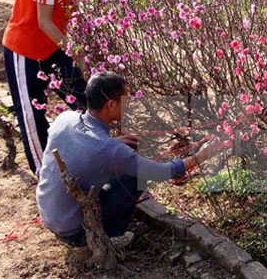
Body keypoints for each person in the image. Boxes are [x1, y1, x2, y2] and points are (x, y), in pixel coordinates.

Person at [36, 72, 220, 247]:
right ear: (111, 105)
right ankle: (113, 236)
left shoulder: (65, 119)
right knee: (135, 177)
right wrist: (202, 155)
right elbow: (160, 173)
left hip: (50, 215)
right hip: (76, 232)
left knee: (125, 169)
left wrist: (113, 142)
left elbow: (82, 147)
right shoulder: (108, 149)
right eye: (126, 100)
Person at [2, 0, 108, 174]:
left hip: (53, 47)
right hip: (24, 50)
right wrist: (77, 51)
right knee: (32, 116)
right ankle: (45, 175)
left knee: (85, 100)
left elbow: (69, 15)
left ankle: (96, 160)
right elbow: (44, 21)